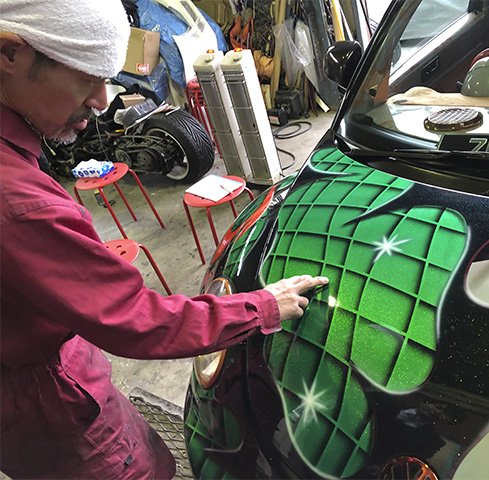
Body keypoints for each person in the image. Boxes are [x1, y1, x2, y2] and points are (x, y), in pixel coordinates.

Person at [0, 1, 328, 478]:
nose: (99, 101)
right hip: (48, 403)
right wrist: (261, 307)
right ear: (11, 54)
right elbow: (134, 318)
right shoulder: (18, 205)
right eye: (87, 79)